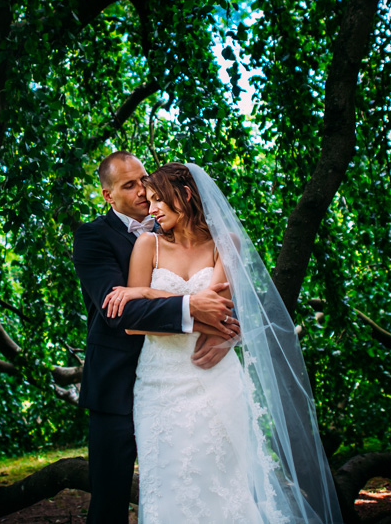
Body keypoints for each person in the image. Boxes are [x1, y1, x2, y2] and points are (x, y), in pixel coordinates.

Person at [103, 162, 344, 524]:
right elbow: (135, 325)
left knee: (227, 480)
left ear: (184, 195)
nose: (150, 208)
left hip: (216, 378)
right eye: (148, 199)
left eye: (158, 200)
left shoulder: (225, 244)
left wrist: (147, 292)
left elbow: (219, 312)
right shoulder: (146, 244)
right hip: (159, 384)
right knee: (168, 482)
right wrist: (178, 305)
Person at [71, 151, 240, 524]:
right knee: (110, 498)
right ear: (108, 196)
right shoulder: (92, 237)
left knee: (200, 481)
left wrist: (231, 333)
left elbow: (226, 298)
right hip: (118, 384)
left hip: (192, 378)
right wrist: (194, 307)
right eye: (128, 186)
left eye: (143, 181)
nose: (143, 194)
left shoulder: (182, 233)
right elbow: (118, 311)